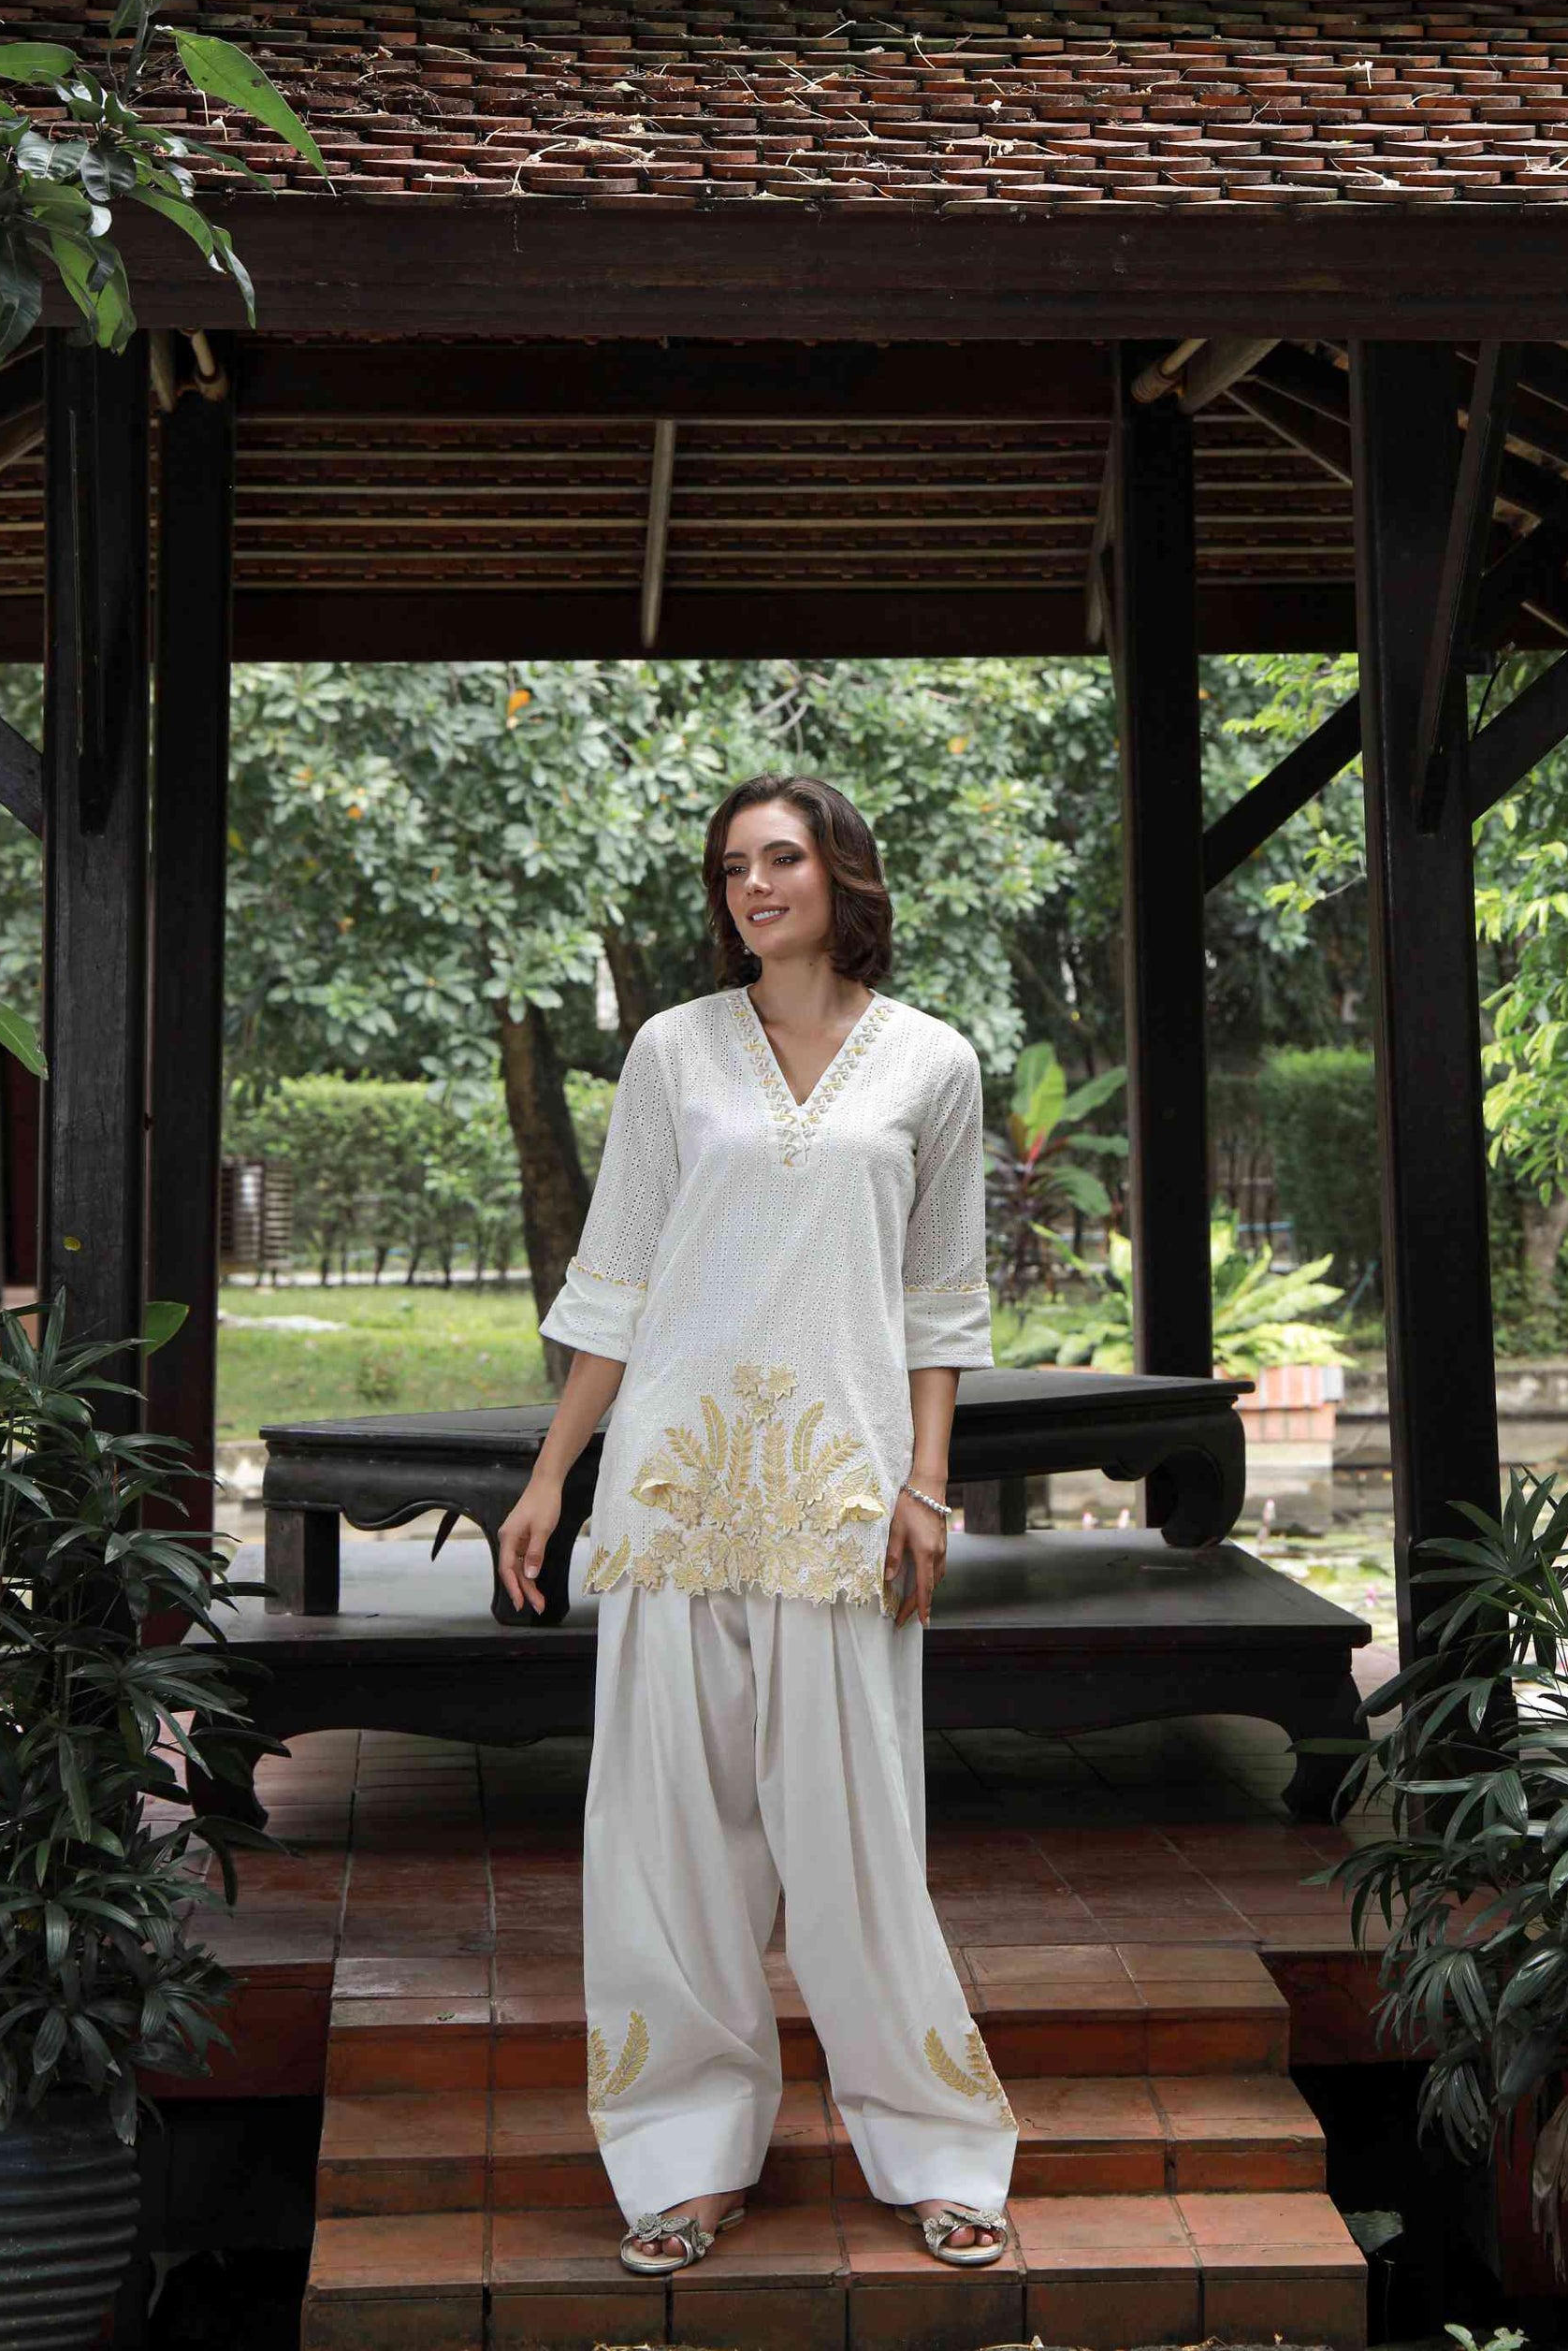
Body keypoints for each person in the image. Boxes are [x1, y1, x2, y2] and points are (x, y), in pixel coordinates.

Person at [496, 773, 1018, 2279]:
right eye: (732, 867)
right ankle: (681, 2160)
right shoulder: (673, 1052)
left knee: (860, 1846)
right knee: (666, 1848)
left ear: (841, 872)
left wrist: (928, 1485)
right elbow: (616, 1283)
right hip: (673, 1491)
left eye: (781, 859)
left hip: (847, 1500)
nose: (754, 888)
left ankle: (934, 2145)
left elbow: (940, 1299)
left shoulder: (933, 1062)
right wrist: (551, 1478)